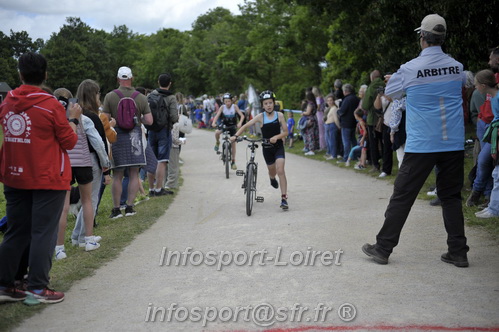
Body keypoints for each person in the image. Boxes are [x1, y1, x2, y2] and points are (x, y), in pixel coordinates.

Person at [362, 14, 469, 267]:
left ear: (422, 38)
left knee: (403, 195)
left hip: (423, 144)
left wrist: (392, 80)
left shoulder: (409, 69)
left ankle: (383, 247)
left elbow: (391, 93)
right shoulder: (457, 67)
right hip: (452, 141)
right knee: (451, 197)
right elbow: (463, 84)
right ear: (442, 38)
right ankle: (458, 251)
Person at [0, 52, 80, 303]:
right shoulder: (50, 105)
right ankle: (37, 287)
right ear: (45, 75)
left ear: (20, 74)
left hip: (15, 174)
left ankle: (6, 284)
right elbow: (69, 141)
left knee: (15, 231)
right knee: (43, 232)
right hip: (47, 177)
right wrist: (74, 120)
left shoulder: (7, 102)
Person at [102, 66, 153, 218]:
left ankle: (117, 209)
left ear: (118, 79)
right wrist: (137, 119)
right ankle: (130, 207)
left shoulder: (110, 96)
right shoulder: (141, 97)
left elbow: (105, 120)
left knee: (117, 175)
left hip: (117, 137)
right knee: (133, 173)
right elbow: (149, 120)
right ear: (132, 79)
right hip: (135, 137)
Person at [231, 90, 289, 209]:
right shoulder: (260, 117)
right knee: (272, 172)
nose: (268, 105)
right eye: (266, 103)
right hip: (267, 149)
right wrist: (235, 136)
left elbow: (286, 132)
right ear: (262, 105)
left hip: (278, 147)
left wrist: (277, 137)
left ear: (274, 103)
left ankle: (284, 198)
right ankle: (272, 178)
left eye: (270, 103)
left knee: (281, 170)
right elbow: (246, 125)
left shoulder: (280, 115)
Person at [146, 73, 178, 197]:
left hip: (151, 129)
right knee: (162, 160)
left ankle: (151, 188)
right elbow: (174, 117)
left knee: (151, 159)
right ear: (170, 83)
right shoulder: (171, 98)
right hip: (164, 130)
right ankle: (159, 188)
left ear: (158, 82)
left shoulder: (151, 95)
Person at [473, 69, 499, 218]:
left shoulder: (497, 97)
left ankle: (493, 208)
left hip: (496, 135)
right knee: (494, 171)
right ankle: (492, 205)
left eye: (476, 85)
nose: (475, 87)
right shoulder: (493, 97)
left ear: (483, 85)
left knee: (495, 171)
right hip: (493, 134)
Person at [211, 93, 245, 170]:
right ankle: (217, 142)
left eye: (229, 101)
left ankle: (233, 161)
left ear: (231, 101)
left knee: (233, 144)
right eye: (226, 101)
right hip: (225, 125)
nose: (227, 103)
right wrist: (213, 122)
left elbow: (242, 116)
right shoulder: (222, 107)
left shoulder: (235, 106)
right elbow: (217, 115)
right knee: (217, 132)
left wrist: (240, 123)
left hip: (233, 126)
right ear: (224, 102)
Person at [362, 70, 385, 172]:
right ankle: (386, 165)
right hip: (385, 118)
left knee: (374, 144)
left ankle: (375, 165)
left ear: (372, 78)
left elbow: (365, 105)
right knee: (384, 143)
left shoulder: (371, 87)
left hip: (373, 119)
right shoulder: (386, 84)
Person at [337, 84, 360, 163]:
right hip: (354, 122)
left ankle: (346, 157)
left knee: (346, 141)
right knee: (353, 140)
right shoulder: (356, 98)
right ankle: (355, 155)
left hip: (346, 123)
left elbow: (342, 111)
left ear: (345, 91)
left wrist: (338, 110)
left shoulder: (346, 99)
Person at [323, 93, 340, 160]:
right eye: (328, 100)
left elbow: (336, 118)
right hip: (328, 125)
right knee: (330, 141)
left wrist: (339, 126)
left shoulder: (334, 108)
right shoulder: (330, 108)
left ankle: (334, 155)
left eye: (331, 100)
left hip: (332, 125)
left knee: (333, 141)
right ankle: (332, 153)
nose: (329, 102)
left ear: (333, 101)